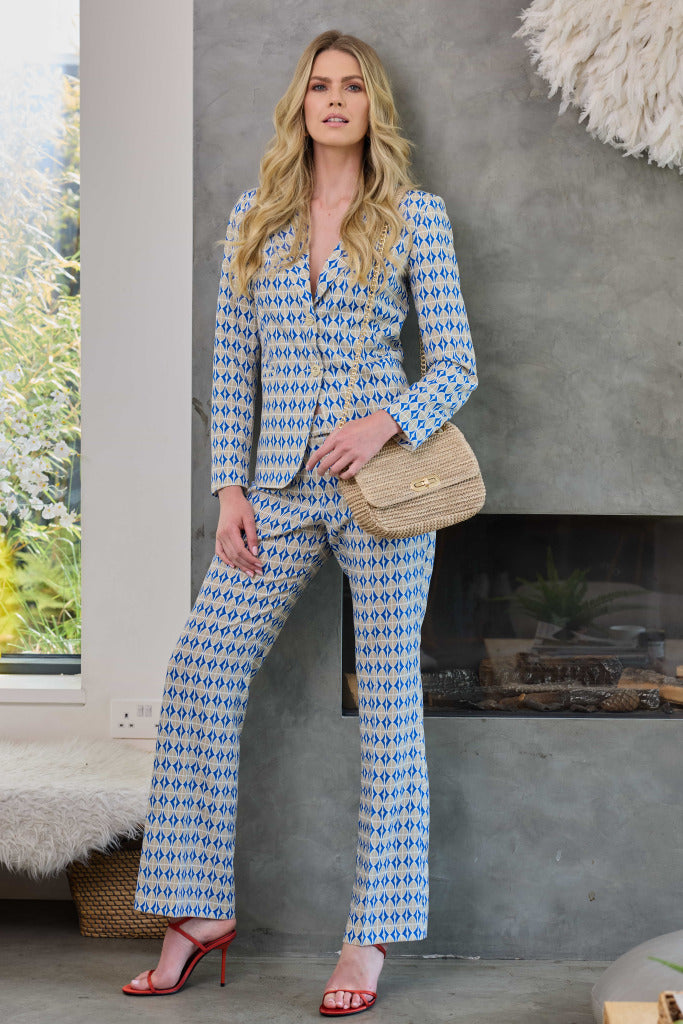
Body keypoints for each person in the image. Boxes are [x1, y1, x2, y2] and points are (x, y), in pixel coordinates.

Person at [123, 28, 478, 1017]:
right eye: (318, 85)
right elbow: (232, 368)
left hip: (384, 489)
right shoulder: (257, 217)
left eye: (351, 87)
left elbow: (455, 362)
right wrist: (228, 492)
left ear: (371, 107)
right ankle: (196, 910)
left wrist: (382, 422)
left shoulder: (414, 216)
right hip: (275, 491)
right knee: (199, 668)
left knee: (389, 701)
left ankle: (368, 934)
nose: (333, 100)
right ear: (300, 104)